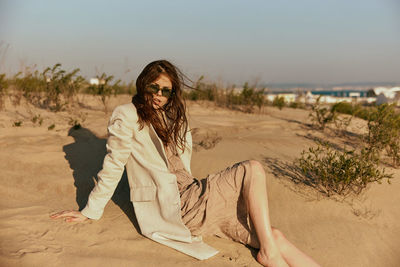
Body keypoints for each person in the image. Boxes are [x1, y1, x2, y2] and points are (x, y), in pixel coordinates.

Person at [50, 60, 320, 267]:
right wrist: (89, 211)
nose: (158, 95)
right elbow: (113, 164)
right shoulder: (127, 115)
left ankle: (271, 251)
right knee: (253, 169)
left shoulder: (169, 117)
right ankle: (269, 254)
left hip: (196, 198)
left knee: (275, 235)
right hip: (178, 205)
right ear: (142, 84)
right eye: (153, 87)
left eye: (165, 91)